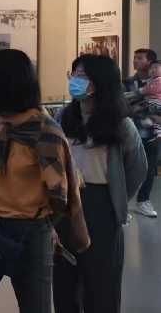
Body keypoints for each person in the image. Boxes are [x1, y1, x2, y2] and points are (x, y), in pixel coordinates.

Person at [0, 49, 90, 313]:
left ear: (4, 84)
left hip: (30, 234)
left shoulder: (44, 132)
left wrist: (46, 226)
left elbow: (61, 194)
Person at [53, 55, 146, 313]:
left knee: (101, 278)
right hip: (65, 201)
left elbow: (137, 168)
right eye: (74, 74)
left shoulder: (121, 124)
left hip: (101, 203)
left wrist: (118, 196)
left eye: (82, 76)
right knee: (64, 275)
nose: (75, 80)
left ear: (101, 81)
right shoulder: (63, 116)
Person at [122, 49, 159, 218]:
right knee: (124, 169)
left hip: (151, 133)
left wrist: (142, 105)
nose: (135, 61)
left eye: (140, 58)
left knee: (149, 169)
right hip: (129, 132)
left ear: (150, 62)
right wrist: (145, 105)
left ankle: (143, 200)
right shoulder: (127, 83)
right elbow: (122, 103)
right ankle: (121, 205)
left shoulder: (158, 82)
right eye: (134, 58)